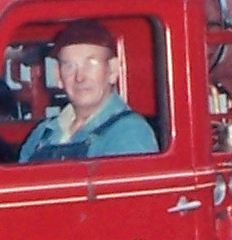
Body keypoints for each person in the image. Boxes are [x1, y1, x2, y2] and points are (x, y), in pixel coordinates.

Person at [16, 19, 159, 162]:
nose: (80, 77)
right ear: (58, 76)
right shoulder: (42, 133)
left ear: (113, 70)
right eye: (69, 66)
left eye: (91, 63)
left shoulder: (129, 133)